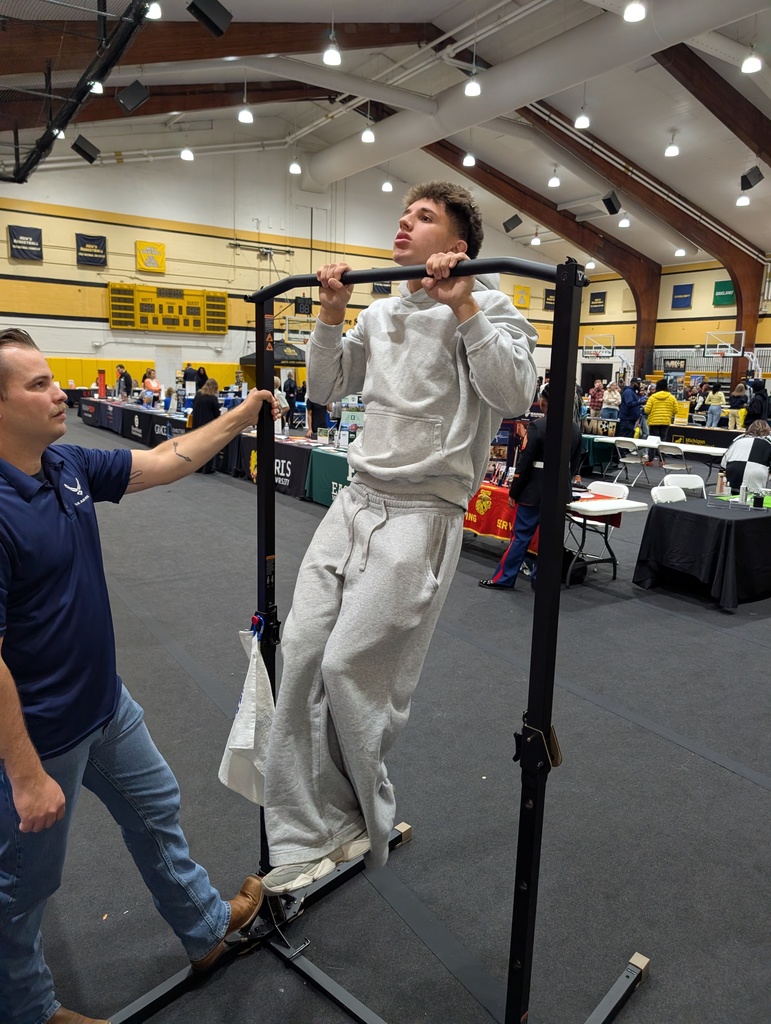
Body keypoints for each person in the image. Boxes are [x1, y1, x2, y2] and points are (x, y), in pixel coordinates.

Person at [261, 180, 537, 894]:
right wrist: (328, 314)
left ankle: (359, 815)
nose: (402, 224)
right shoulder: (380, 308)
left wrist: (464, 306)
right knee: (298, 657)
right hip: (353, 503)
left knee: (350, 667)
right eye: (402, 214)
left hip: (420, 513)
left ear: (455, 246)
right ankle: (300, 831)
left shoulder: (491, 304)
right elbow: (323, 389)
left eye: (422, 218)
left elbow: (513, 396)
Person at [0, 328, 279, 1024]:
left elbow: (159, 462)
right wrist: (26, 773)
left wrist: (243, 415)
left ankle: (207, 929)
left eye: (50, 377)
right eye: (36, 384)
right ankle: (29, 1010)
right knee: (22, 889)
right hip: (39, 736)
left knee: (157, 810)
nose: (59, 389)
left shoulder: (61, 463)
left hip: (104, 706)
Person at [479, 384, 581, 591]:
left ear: (544, 401)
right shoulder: (575, 428)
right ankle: (542, 580)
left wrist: (514, 491)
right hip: (559, 491)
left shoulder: (538, 426)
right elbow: (575, 463)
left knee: (521, 537)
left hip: (534, 491)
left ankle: (504, 578)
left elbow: (524, 464)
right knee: (550, 539)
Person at [720, 419, 771, 494]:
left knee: (732, 497)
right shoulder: (769, 440)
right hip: (756, 472)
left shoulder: (739, 438)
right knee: (754, 499)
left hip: (733, 469)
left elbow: (723, 463)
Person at [643, 379, 678, 465]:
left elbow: (647, 410)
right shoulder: (671, 397)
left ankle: (650, 460)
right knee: (663, 441)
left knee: (653, 441)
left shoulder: (653, 397)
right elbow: (675, 410)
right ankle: (662, 460)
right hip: (665, 421)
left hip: (654, 421)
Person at [191, 377, 221, 473]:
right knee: (209, 448)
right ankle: (207, 468)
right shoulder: (213, 398)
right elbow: (217, 413)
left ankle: (197, 467)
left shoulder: (198, 395)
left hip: (196, 425)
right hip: (208, 426)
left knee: (198, 447)